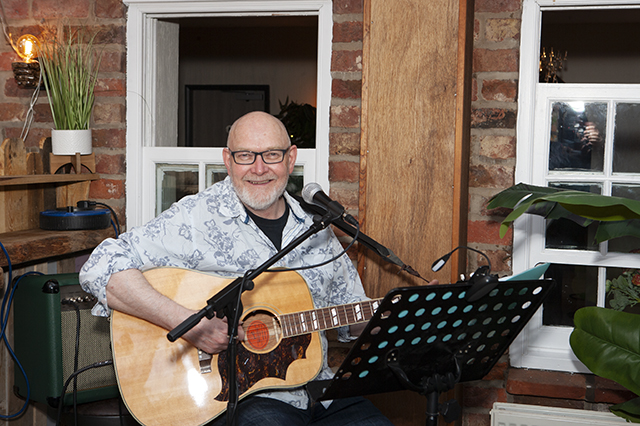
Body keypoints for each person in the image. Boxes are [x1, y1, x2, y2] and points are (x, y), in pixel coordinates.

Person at [79, 111, 394, 425]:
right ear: (227, 160)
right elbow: (100, 267)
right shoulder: (195, 217)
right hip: (240, 398)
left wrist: (391, 314)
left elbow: (348, 319)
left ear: (290, 158)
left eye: (271, 154)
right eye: (245, 156)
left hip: (320, 392)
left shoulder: (317, 226)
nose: (259, 169)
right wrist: (191, 325)